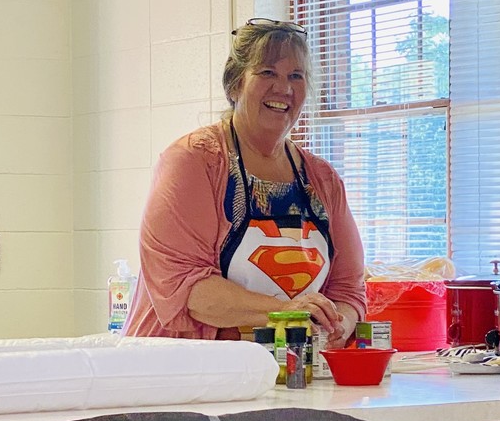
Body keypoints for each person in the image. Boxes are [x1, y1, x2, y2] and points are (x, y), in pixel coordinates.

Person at [124, 18, 366, 349]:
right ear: (235, 84)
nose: (283, 88)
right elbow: (186, 287)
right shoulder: (194, 162)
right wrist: (286, 312)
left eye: (296, 76)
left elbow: (348, 289)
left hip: (285, 370)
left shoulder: (323, 180)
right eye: (267, 72)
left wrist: (336, 326)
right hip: (180, 367)